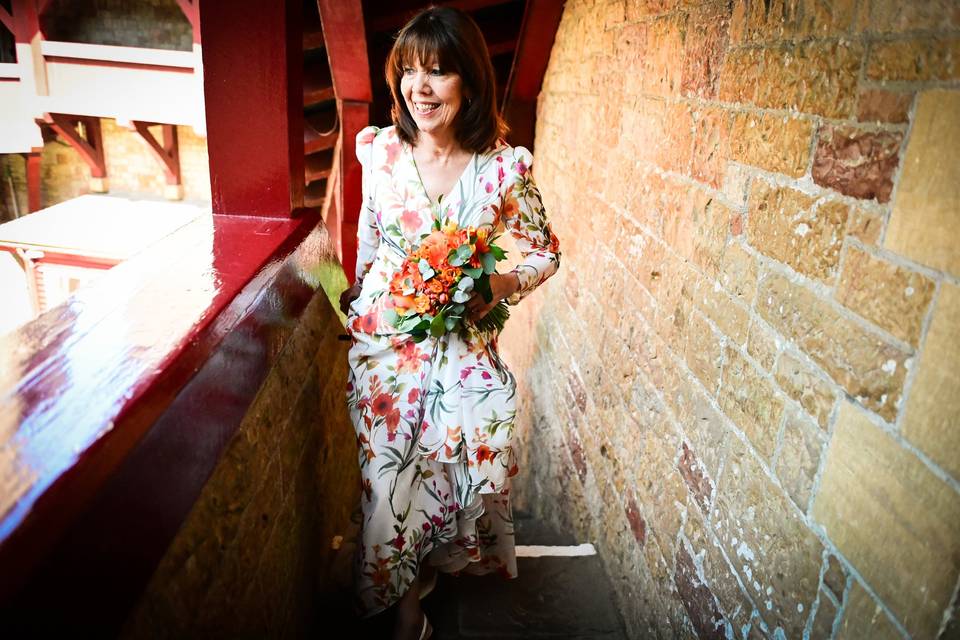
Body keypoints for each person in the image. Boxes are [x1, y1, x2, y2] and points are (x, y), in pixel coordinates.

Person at [338, 7, 560, 639]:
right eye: (409, 72)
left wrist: (500, 282)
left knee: (445, 480)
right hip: (384, 346)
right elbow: (371, 238)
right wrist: (356, 308)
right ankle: (403, 610)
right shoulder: (380, 151)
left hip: (463, 354)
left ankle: (423, 577)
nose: (421, 87)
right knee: (386, 479)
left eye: (438, 71)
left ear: (469, 82)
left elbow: (546, 252)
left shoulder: (502, 168)